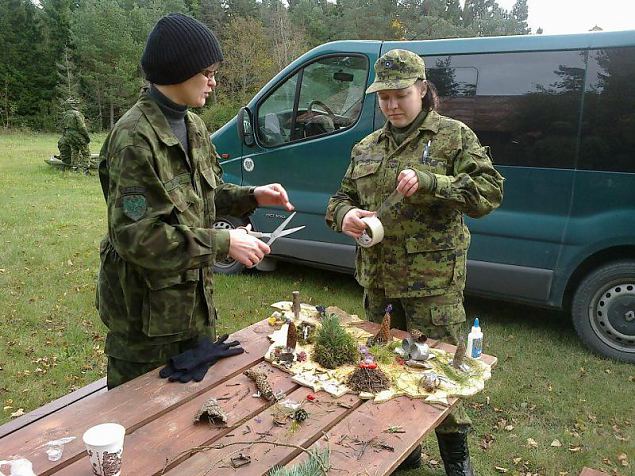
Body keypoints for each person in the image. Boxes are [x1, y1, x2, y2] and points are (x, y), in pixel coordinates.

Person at [326, 49, 504, 475]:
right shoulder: (367, 146)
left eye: (400, 94)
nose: (391, 104)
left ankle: (456, 463)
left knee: (442, 371)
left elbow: (489, 194)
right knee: (387, 366)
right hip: (379, 283)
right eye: (383, 97)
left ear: (423, 90)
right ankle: (405, 453)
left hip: (433, 285)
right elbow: (340, 198)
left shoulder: (453, 137)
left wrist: (432, 182)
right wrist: (344, 216)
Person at [96, 13, 293, 389]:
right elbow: (137, 238)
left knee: (194, 427)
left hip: (193, 311)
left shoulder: (192, 125)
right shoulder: (134, 140)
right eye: (207, 72)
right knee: (142, 432)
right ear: (178, 71)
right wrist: (224, 242)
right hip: (146, 328)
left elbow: (205, 195)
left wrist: (251, 196)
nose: (214, 82)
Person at [57, 97, 91, 171]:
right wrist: (87, 137)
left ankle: (74, 168)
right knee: (86, 153)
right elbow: (82, 127)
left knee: (75, 152)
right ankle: (85, 170)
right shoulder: (77, 114)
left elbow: (63, 127)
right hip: (77, 135)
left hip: (68, 135)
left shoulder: (65, 115)